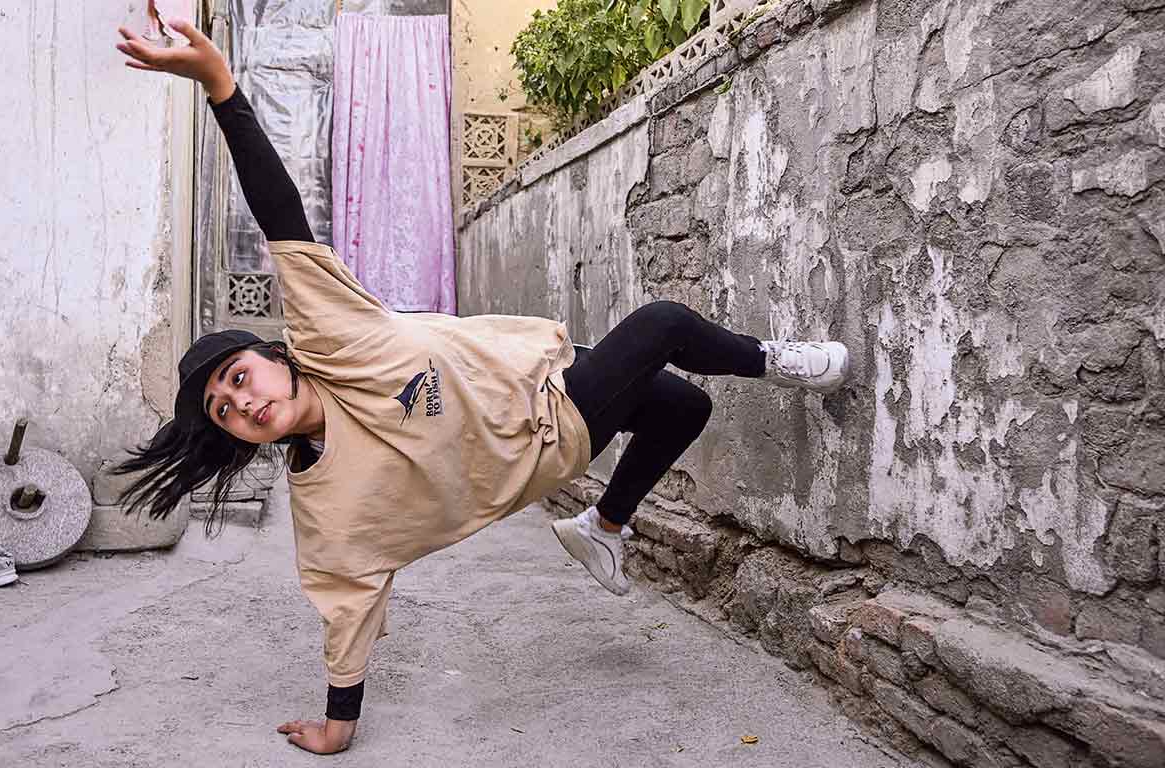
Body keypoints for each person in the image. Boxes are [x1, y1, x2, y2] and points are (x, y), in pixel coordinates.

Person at [114, 19, 850, 756]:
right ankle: (780, 361)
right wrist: (339, 725)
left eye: (238, 378)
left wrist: (221, 87)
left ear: (274, 355)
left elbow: (280, 217)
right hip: (546, 434)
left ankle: (603, 528)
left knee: (685, 407)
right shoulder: (326, 507)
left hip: (548, 367)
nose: (243, 403)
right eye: (225, 411)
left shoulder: (333, 337)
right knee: (663, 323)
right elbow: (349, 604)